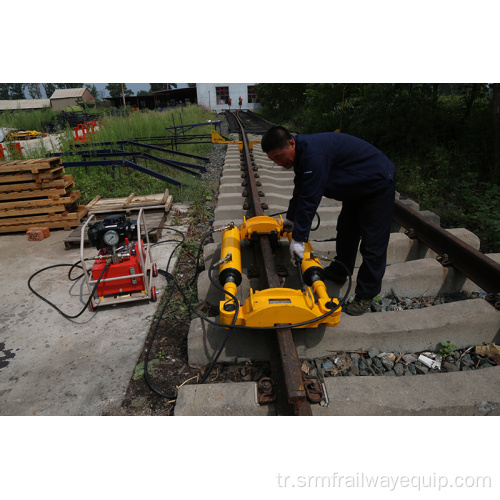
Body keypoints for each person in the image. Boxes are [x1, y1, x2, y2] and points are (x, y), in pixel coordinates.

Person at [261, 126, 395, 316]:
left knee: (373, 243)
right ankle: (341, 271)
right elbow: (300, 188)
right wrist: (291, 219)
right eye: (273, 160)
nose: (279, 162)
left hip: (377, 183)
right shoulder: (301, 153)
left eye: (280, 156)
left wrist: (299, 239)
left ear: (291, 143)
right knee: (347, 230)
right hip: (356, 186)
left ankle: (366, 294)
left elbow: (310, 197)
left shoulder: (314, 154)